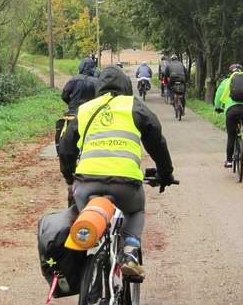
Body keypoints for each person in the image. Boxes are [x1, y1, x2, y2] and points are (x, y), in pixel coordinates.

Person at [58, 66, 175, 280]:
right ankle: (129, 252)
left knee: (81, 216)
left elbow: (65, 148)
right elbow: (157, 142)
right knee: (134, 211)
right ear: (127, 86)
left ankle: (84, 255)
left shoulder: (85, 109)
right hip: (126, 185)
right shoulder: (134, 106)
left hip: (86, 185)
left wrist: (69, 177)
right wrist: (165, 174)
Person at [214, 63, 243, 168]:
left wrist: (218, 107)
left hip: (232, 110)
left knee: (231, 136)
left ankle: (229, 161)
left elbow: (218, 95)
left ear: (230, 73)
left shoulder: (226, 82)